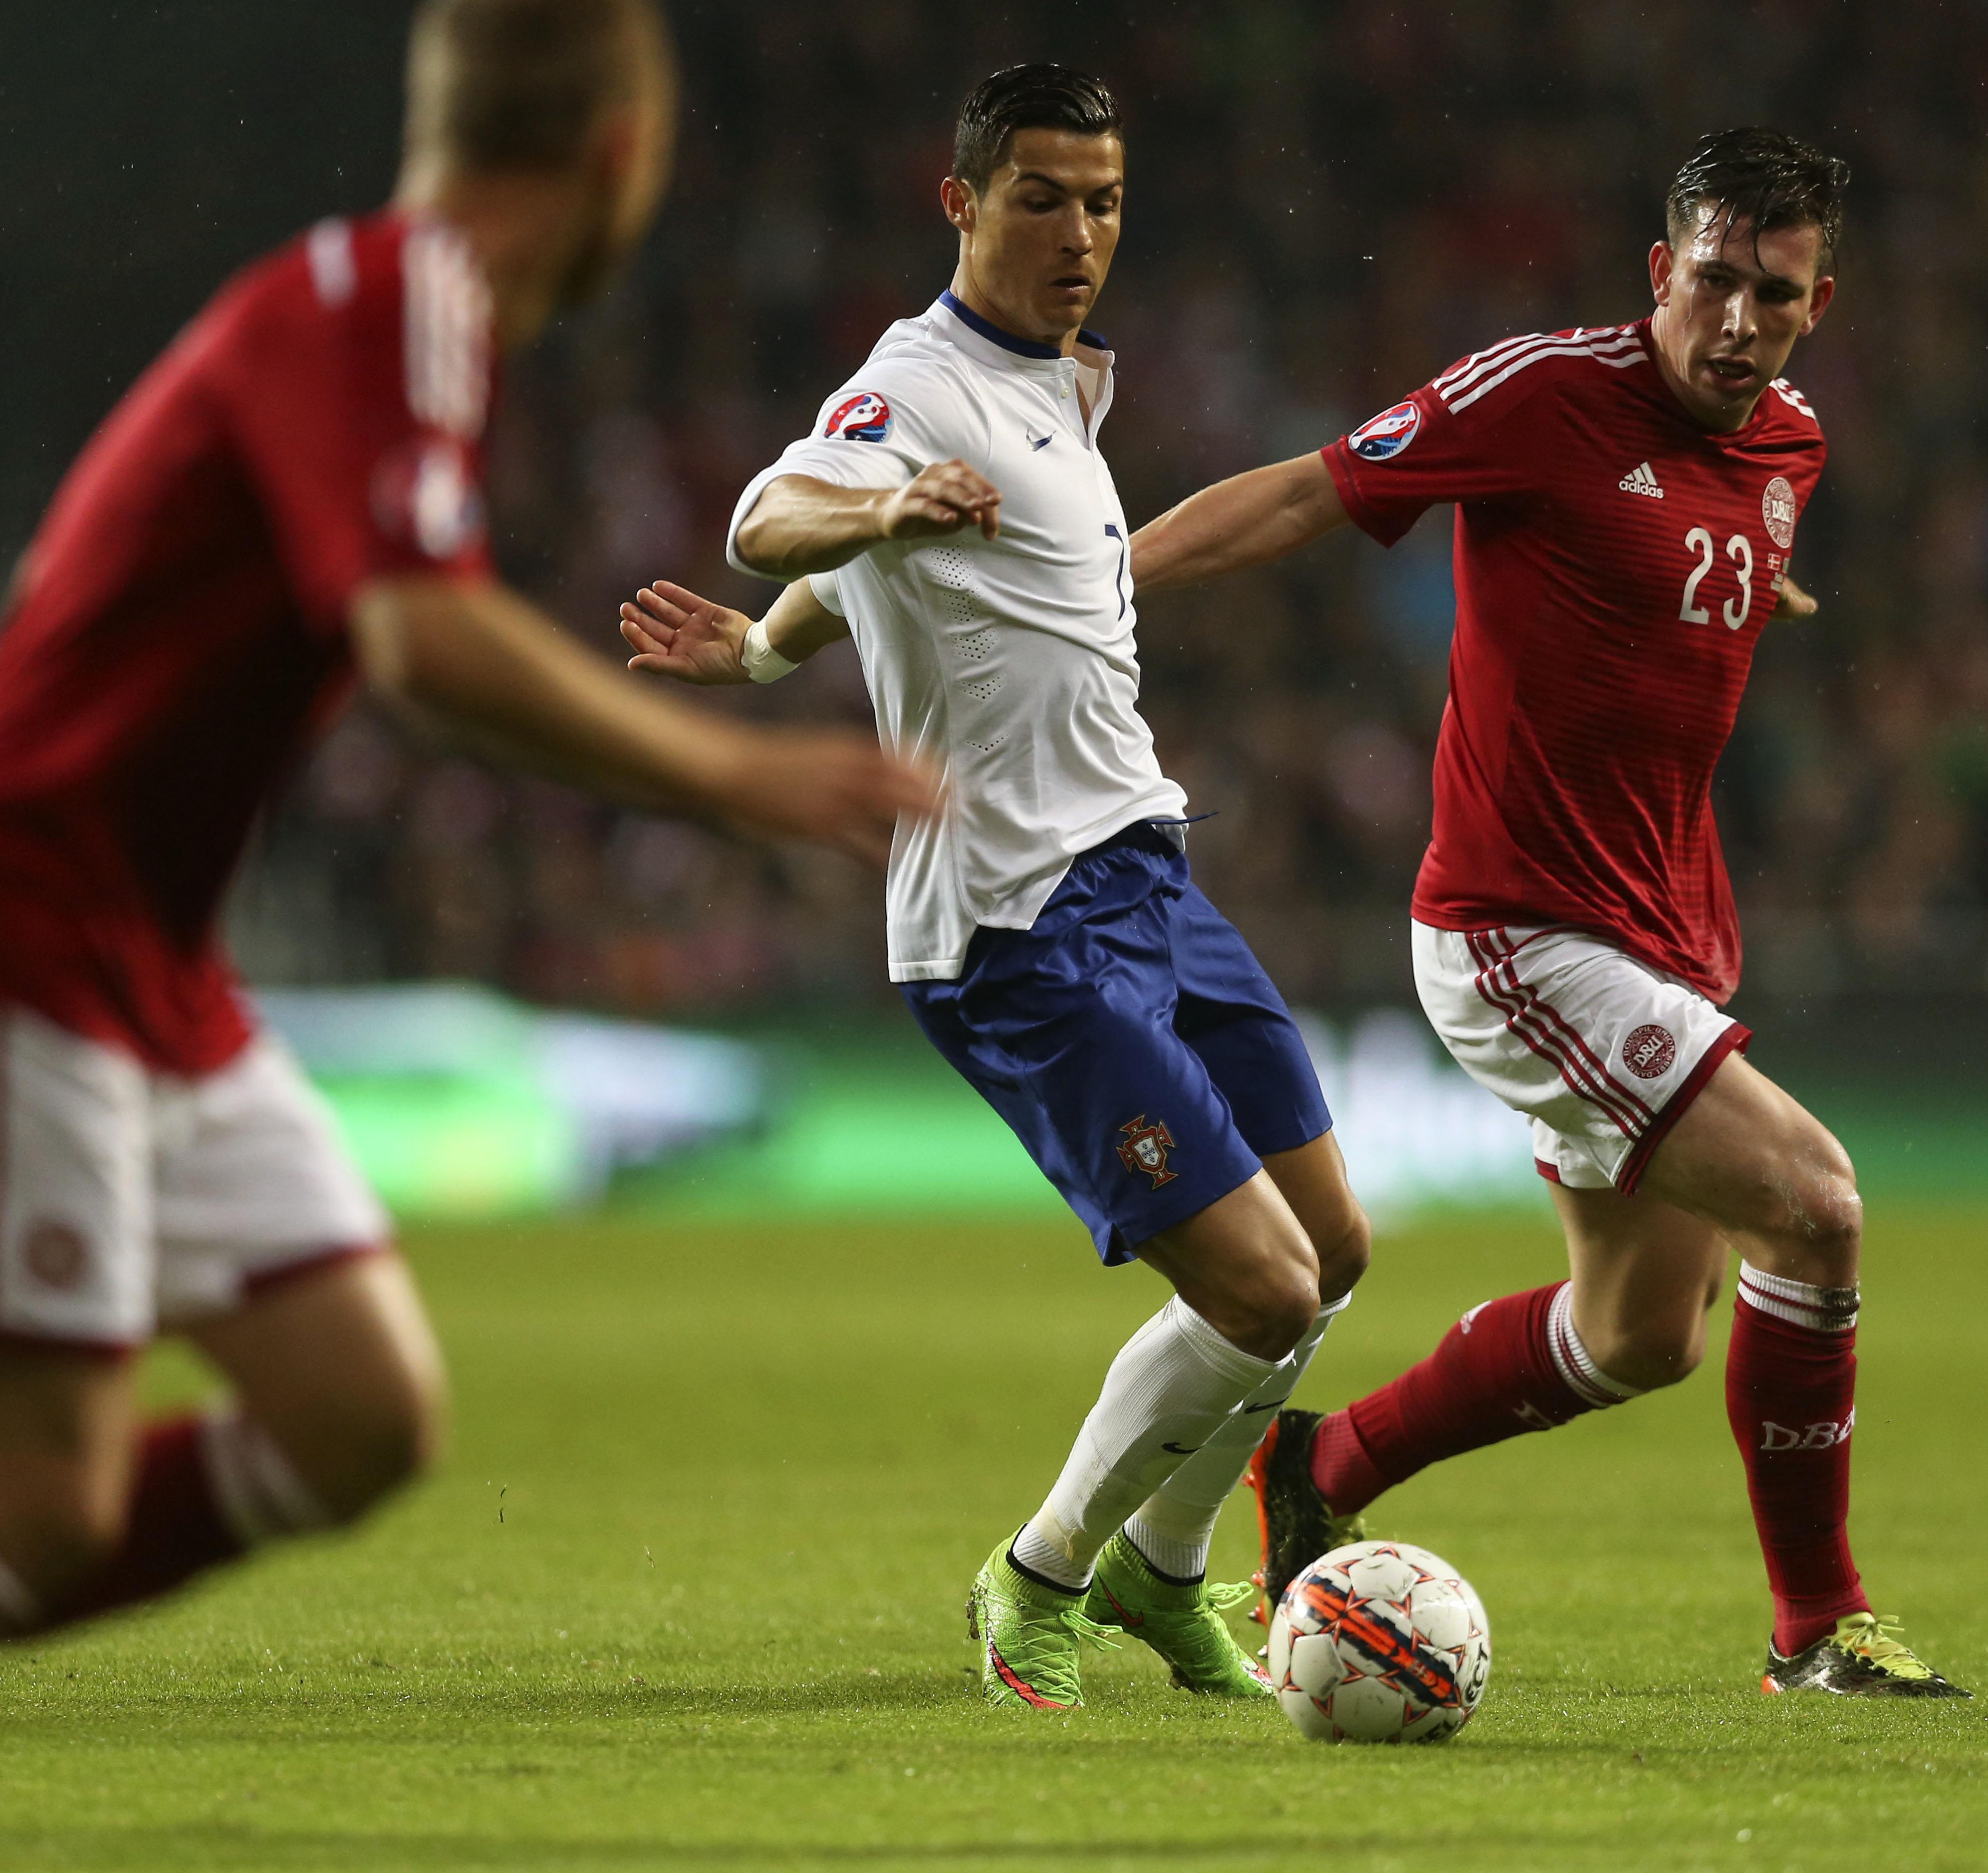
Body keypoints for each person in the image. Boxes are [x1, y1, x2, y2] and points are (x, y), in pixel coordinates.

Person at [0, 0, 936, 1780]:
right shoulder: (397, 297)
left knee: (352, 1411)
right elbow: (419, 639)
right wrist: (732, 771)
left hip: (149, 960)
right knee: (38, 1499)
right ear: (620, 155)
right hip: (12, 921)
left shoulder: (389, 314)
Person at [1120, 127, 1963, 1698]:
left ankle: (1325, 1462)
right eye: (1712, 280)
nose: (1736, 322)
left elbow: (1692, 566)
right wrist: (1094, 585)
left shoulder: (1791, 446)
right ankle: (1819, 1626)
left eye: (1774, 295)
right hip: (1522, 930)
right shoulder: (1543, 391)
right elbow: (1308, 493)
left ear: (1819, 304)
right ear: (1661, 269)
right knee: (1818, 1205)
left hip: (1667, 936)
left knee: (1641, 1334)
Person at [617, 63, 1370, 1713]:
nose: (1079, 233)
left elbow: (870, 582)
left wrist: (762, 656)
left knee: (1330, 1248)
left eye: (1104, 201)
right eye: (1042, 198)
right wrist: (874, 506)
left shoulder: (1059, 390)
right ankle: (1039, 1576)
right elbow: (773, 513)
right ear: (960, 202)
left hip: (1146, 874)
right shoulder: (914, 383)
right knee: (1259, 1287)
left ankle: (1165, 1571)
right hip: (1019, 926)